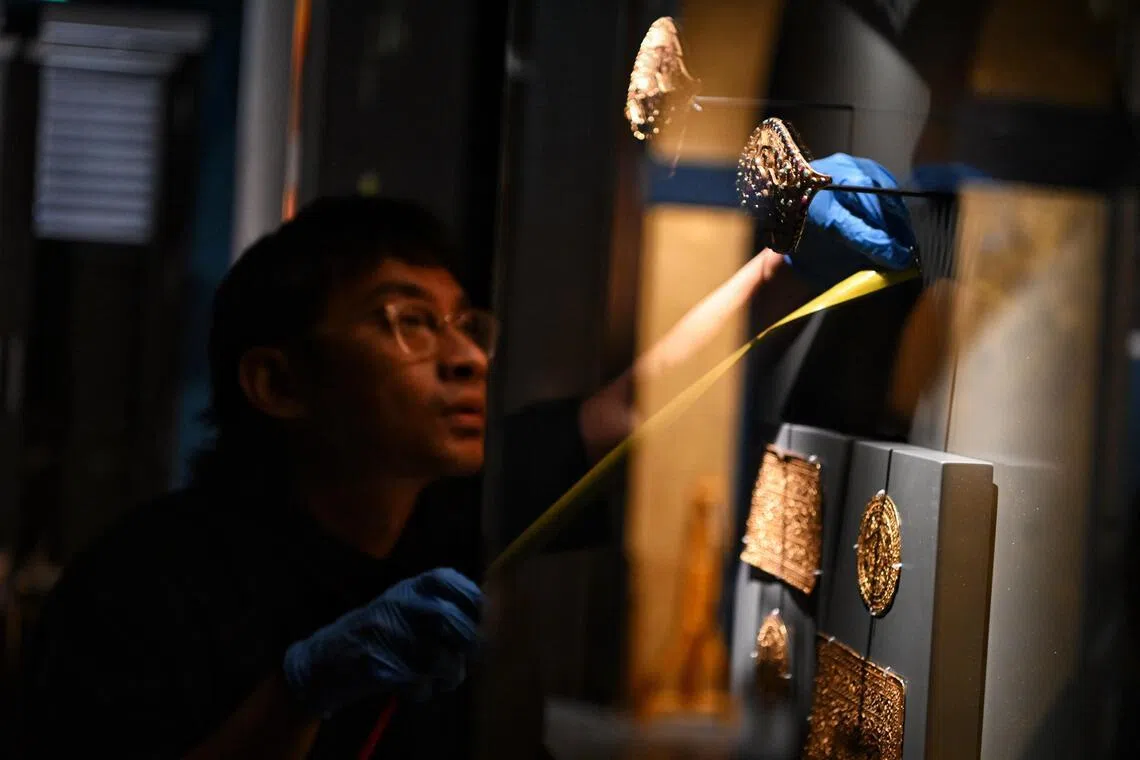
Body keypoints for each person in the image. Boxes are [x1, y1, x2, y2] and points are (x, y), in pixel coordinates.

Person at [18, 155, 913, 758]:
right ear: (279, 383)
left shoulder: (443, 505)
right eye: (405, 322)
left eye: (463, 324)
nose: (466, 356)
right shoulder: (142, 588)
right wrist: (301, 688)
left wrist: (782, 258)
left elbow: (631, 405)